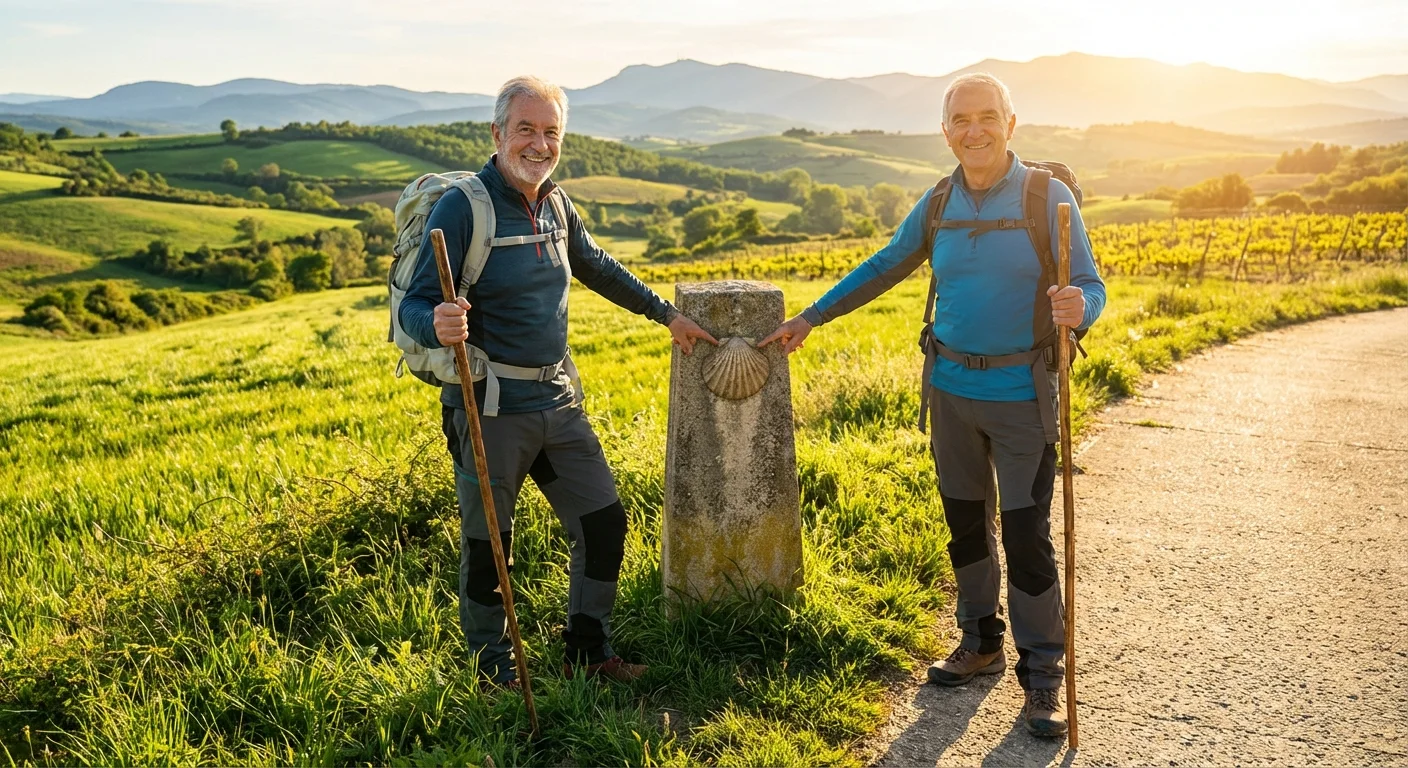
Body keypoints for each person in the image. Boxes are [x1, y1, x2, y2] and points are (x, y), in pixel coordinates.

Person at [760, 72, 1105, 738]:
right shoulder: (941, 199)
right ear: (945, 131)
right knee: (966, 526)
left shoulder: (1048, 197)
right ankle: (980, 642)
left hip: (1022, 398)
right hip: (949, 393)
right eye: (959, 121)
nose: (973, 131)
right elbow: (887, 263)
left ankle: (1042, 675)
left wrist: (1079, 306)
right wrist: (812, 317)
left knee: (1029, 537)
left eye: (986, 117)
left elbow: (1089, 284)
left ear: (1010, 122)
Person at [398, 75, 716, 687]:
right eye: (526, 130)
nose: (539, 145)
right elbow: (414, 303)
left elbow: (597, 265)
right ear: (497, 134)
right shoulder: (464, 207)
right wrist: (434, 320)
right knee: (490, 545)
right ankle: (494, 670)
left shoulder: (557, 203)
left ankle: (587, 653)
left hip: (557, 402)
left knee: (603, 522)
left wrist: (667, 314)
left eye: (551, 133)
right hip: (490, 407)